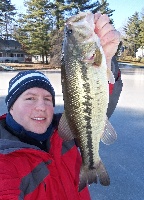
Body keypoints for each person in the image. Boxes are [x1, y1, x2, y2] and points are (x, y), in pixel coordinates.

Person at [0, 13, 122, 200]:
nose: (41, 106)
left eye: (48, 99)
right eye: (30, 98)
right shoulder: (5, 165)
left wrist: (108, 62)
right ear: (10, 107)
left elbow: (95, 105)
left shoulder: (65, 135)